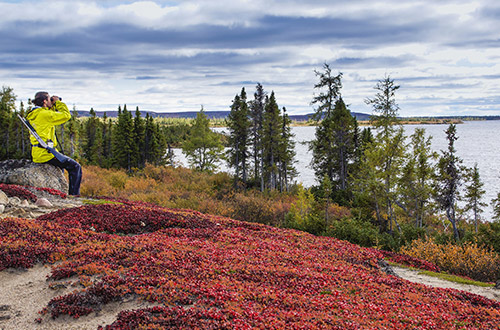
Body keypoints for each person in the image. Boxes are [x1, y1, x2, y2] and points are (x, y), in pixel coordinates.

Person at [26, 91, 82, 196]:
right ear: (44, 101)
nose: (50, 101)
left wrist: (51, 105)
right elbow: (66, 115)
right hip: (46, 154)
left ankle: (61, 191)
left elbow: (48, 114)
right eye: (49, 99)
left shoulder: (34, 114)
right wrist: (58, 103)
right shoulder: (44, 114)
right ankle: (74, 196)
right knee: (75, 167)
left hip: (38, 152)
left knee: (61, 168)